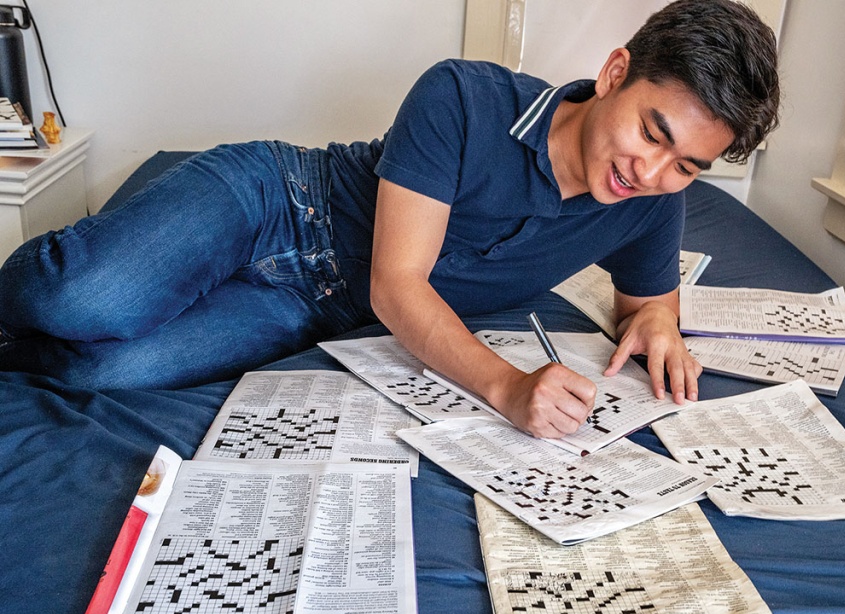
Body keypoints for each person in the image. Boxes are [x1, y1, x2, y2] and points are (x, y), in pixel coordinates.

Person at [0, 0, 779, 439]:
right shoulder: (464, 97)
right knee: (82, 302)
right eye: (652, 132)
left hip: (307, 305)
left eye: (686, 165)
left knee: (99, 373)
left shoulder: (652, 204)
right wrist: (509, 389)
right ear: (615, 74)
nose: (650, 172)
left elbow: (647, 303)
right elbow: (398, 285)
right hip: (276, 200)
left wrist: (659, 324)